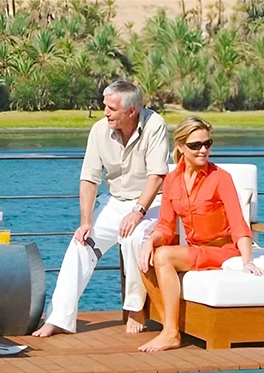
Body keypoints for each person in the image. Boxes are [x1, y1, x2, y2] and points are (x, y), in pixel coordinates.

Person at [33, 80, 169, 337]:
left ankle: (134, 308)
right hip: (115, 201)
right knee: (80, 245)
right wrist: (86, 222)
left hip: (153, 202)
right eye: (104, 106)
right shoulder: (98, 130)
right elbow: (89, 179)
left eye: (111, 108)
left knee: (134, 237)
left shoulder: (155, 124)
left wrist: (138, 211)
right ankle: (59, 318)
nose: (105, 111)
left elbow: (158, 175)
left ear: (131, 111)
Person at [136, 116, 264, 352]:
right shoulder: (172, 180)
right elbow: (165, 225)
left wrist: (247, 261)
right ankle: (170, 328)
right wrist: (149, 241)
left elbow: (238, 223)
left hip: (223, 251)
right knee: (145, 255)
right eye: (196, 145)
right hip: (196, 250)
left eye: (208, 143)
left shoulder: (220, 178)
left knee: (163, 257)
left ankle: (170, 333)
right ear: (181, 147)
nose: (203, 150)